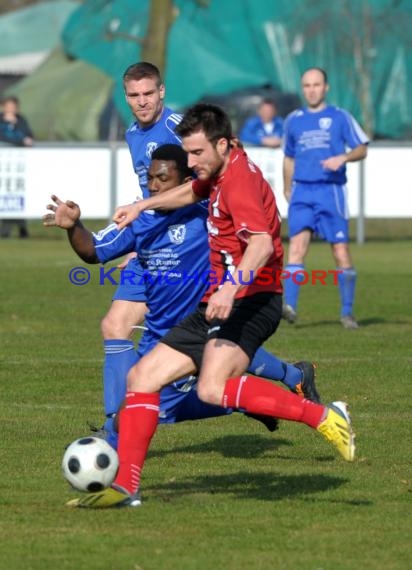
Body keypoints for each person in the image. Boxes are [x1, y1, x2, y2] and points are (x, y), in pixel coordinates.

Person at [66, 105, 355, 509]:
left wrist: (228, 289)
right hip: (222, 299)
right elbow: (190, 191)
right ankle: (126, 488)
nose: (192, 162)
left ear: (222, 144)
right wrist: (142, 207)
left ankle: (323, 417)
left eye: (198, 154)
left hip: (251, 300)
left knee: (212, 387)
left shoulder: (238, 183)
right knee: (142, 378)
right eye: (189, 153)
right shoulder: (217, 170)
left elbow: (262, 245)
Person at [44, 144, 319, 449]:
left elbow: (252, 236)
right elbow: (94, 251)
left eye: (162, 179)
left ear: (188, 181)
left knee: (149, 406)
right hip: (159, 333)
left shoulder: (208, 215)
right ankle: (260, 394)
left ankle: (110, 444)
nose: (154, 185)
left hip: (200, 322)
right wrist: (73, 227)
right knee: (168, 403)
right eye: (150, 178)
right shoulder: (141, 217)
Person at [99, 62, 182, 439]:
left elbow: (203, 188)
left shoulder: (181, 130)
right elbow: (151, 193)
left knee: (210, 348)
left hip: (184, 249)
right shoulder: (134, 134)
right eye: (134, 95)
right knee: (114, 325)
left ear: (162, 91)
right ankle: (115, 427)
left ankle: (291, 376)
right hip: (150, 246)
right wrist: (138, 240)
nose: (142, 101)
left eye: (149, 93)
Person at [282, 67, 369, 329]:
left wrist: (343, 157)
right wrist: (287, 188)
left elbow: (362, 147)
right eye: (307, 85)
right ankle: (290, 307)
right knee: (296, 248)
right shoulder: (293, 120)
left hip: (330, 191)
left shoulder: (340, 117)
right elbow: (288, 157)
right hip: (302, 191)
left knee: (340, 251)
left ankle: (347, 312)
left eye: (316, 84)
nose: (311, 90)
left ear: (326, 87)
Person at [0, 95, 33, 239]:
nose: (11, 109)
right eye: (8, 106)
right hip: (3, 166)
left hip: (18, 167)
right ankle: (5, 230)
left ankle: (22, 229)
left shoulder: (21, 121)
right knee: (5, 195)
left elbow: (28, 137)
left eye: (13, 106)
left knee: (18, 195)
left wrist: (16, 126)